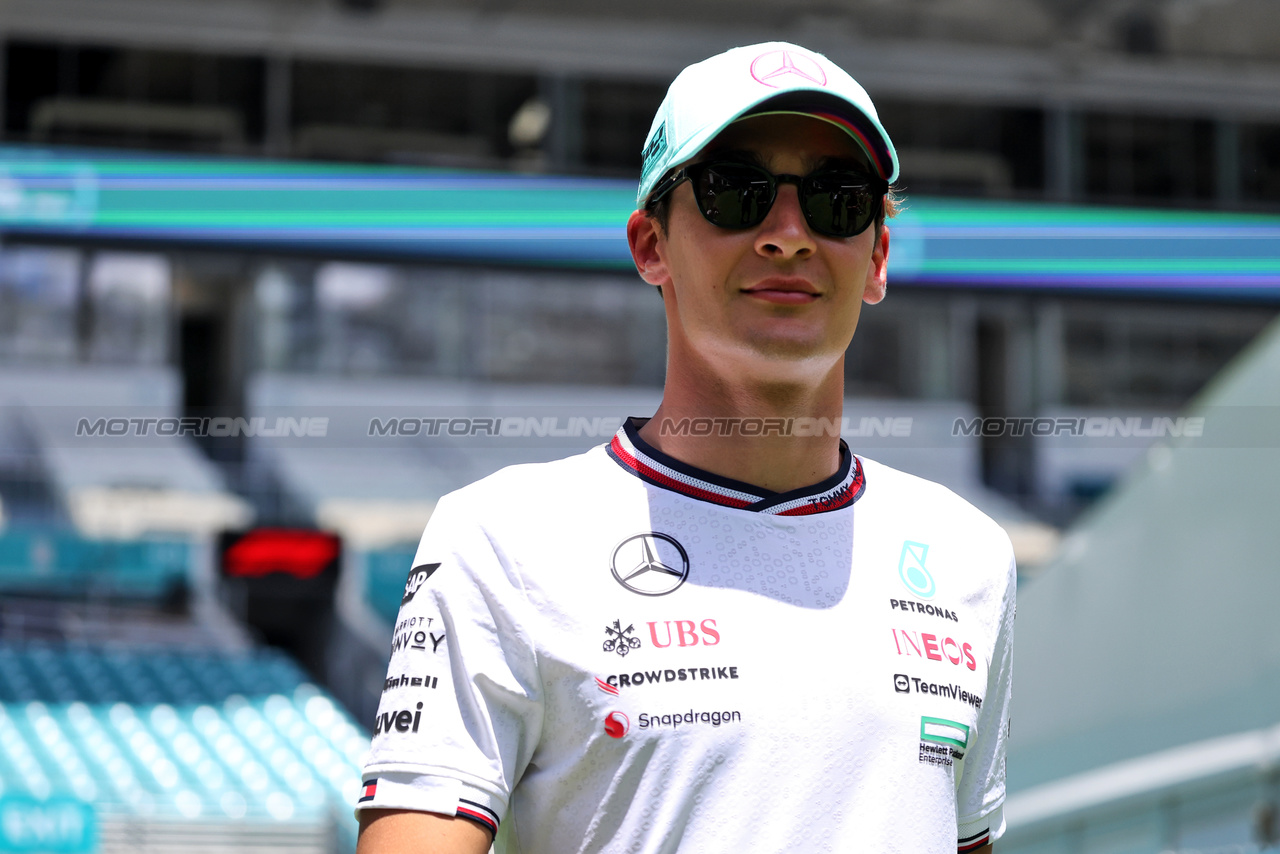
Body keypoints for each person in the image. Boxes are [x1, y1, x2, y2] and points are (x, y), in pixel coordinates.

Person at [356, 41, 1014, 854]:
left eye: (838, 199)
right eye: (734, 191)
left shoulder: (969, 556)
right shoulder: (501, 540)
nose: (788, 234)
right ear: (650, 246)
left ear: (877, 256)